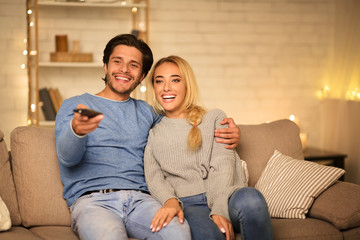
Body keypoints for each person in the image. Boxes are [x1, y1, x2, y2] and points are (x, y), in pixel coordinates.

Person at [55, 34, 240, 240]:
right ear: (106, 66)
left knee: (179, 233)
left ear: (142, 76)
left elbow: (183, 123)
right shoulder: (76, 105)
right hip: (93, 201)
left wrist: (226, 129)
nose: (124, 69)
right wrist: (77, 131)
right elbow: (67, 159)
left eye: (133, 65)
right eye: (117, 62)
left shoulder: (148, 113)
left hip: (142, 201)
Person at [144, 55, 274, 240]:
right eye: (159, 81)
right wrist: (170, 201)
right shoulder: (153, 132)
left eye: (175, 80)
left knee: (252, 199)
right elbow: (153, 176)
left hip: (226, 197)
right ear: (154, 87)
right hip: (187, 205)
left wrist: (219, 209)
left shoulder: (214, 118)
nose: (166, 88)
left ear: (187, 84)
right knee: (209, 234)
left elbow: (223, 166)